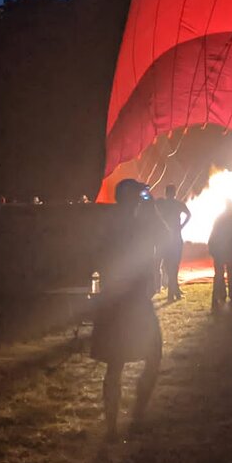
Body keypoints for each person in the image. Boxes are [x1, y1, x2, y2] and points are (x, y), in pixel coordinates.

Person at [90, 178, 163, 437]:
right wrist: (152, 210)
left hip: (115, 302)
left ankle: (114, 427)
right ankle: (136, 418)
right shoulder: (136, 224)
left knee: (116, 364)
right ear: (130, 197)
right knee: (151, 356)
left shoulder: (109, 223)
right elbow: (165, 235)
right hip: (132, 302)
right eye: (140, 193)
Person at [208, 199, 232, 309]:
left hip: (220, 248)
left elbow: (213, 233)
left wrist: (212, 248)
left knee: (220, 274)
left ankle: (218, 297)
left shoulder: (220, 217)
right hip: (230, 249)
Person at [154, 184, 190, 302]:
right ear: (174, 193)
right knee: (173, 266)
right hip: (175, 238)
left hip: (164, 239)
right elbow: (189, 214)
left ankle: (172, 292)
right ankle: (173, 293)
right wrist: (181, 226)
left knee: (167, 266)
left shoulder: (162, 204)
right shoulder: (178, 204)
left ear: (166, 193)